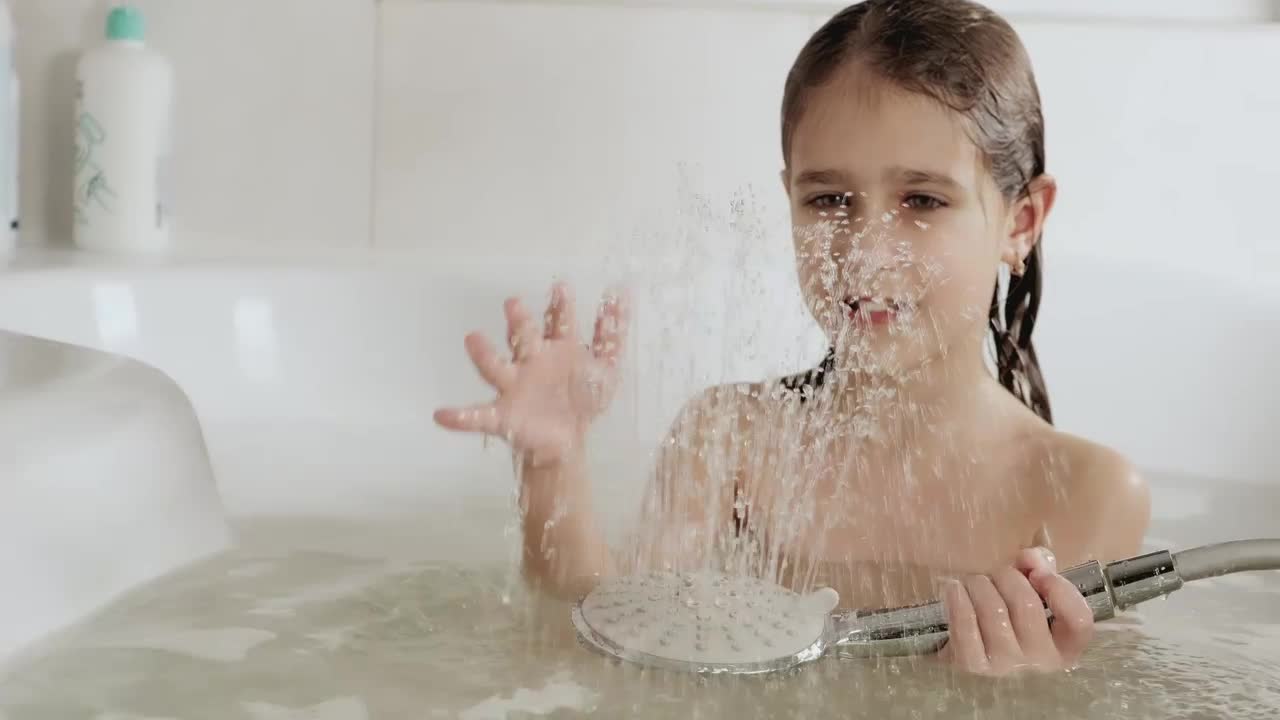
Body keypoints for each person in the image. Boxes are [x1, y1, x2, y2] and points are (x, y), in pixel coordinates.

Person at [433, 0, 1150, 677]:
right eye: (829, 199)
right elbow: (604, 628)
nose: (866, 252)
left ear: (1021, 222)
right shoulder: (734, 438)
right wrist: (553, 464)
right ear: (789, 200)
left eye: (922, 200)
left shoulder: (1083, 494)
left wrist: (1024, 698)